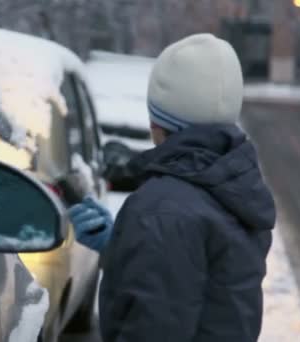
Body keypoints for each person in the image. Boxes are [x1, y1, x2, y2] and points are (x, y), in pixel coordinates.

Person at [68, 33, 275, 342]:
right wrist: (121, 245)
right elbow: (203, 288)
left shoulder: (160, 209)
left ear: (159, 120)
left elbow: (150, 325)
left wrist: (144, 231)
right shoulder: (232, 186)